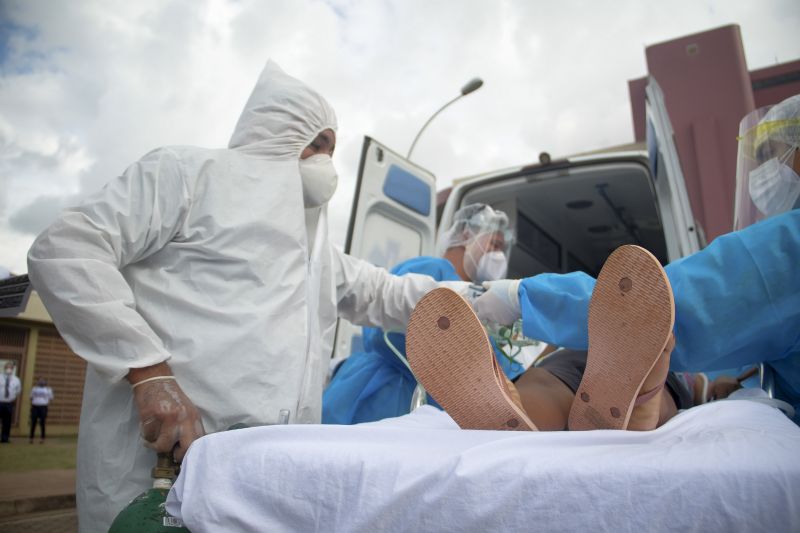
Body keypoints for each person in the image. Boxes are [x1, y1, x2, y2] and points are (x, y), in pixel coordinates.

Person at [27, 61, 468, 532]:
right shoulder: (186, 176)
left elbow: (389, 294)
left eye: (332, 150)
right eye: (317, 143)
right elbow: (68, 249)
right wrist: (149, 374)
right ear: (278, 130)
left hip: (266, 483)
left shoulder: (316, 251)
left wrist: (493, 298)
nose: (325, 162)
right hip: (158, 472)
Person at [473, 93, 800, 424]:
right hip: (645, 371)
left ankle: (521, 412)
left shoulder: (790, 246)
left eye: (773, 155)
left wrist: (525, 297)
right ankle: (635, 406)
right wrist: (714, 387)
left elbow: (663, 307)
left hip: (610, 362)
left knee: (553, 380)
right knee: (647, 377)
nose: (769, 170)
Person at [408, 245, 751, 432]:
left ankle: (517, 407)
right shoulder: (697, 372)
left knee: (543, 391)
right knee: (656, 394)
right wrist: (727, 385)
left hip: (569, 364)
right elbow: (715, 388)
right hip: (619, 365)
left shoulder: (702, 379)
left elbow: (715, 387)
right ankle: (642, 401)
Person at [323, 204, 522, 424]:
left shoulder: (471, 291)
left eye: (502, 249)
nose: (498, 256)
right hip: (392, 395)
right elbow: (383, 330)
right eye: (494, 245)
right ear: (467, 234)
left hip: (429, 401)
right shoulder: (433, 270)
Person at [1, 361, 22, 443]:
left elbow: (18, 391)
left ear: (13, 369)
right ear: (4, 368)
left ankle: (5, 438)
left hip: (9, 403)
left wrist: (13, 399)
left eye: (10, 368)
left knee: (7, 422)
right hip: (0, 402)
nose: (9, 369)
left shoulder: (16, 380)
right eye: (7, 367)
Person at [29, 378, 54, 444]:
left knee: (42, 423)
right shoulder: (34, 389)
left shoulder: (48, 389)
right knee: (33, 422)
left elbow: (51, 398)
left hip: (43, 407)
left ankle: (42, 438)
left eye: (43, 381)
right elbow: (31, 397)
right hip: (35, 407)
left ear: (45, 382)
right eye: (40, 381)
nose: (41, 382)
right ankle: (31, 438)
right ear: (38, 382)